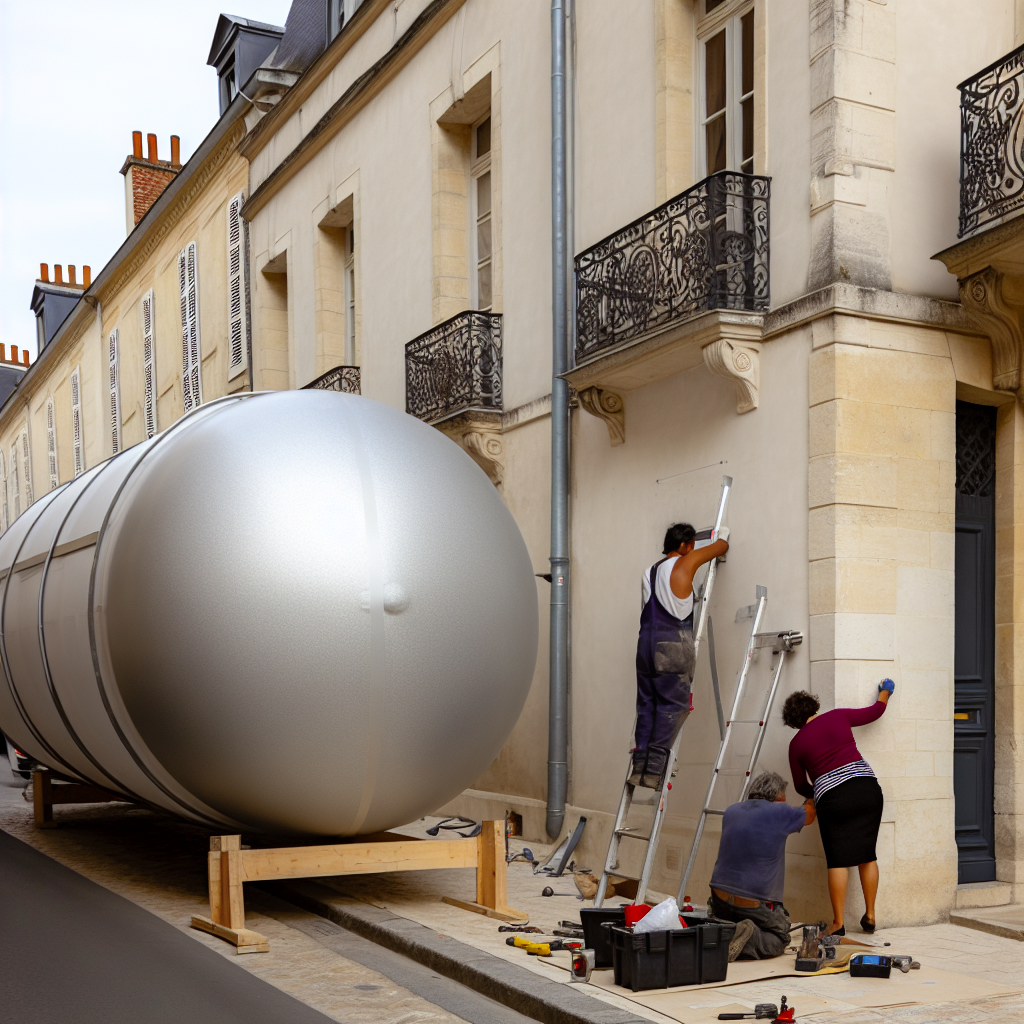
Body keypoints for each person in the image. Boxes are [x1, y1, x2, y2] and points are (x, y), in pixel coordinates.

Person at [784, 681, 894, 935]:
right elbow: (876, 711)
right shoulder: (838, 716)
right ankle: (870, 915)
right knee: (867, 854)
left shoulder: (796, 744)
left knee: (838, 860)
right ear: (814, 707)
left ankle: (838, 923)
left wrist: (819, 791)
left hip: (834, 800)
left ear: (793, 723)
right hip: (867, 788)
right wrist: (885, 691)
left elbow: (801, 784)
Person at [631, 522, 729, 788]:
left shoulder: (649, 572)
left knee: (647, 705)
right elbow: (721, 547)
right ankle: (653, 771)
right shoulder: (684, 563)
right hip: (671, 647)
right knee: (672, 706)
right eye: (691, 547)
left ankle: (639, 765)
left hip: (645, 648)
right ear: (685, 546)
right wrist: (723, 536)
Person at [708, 770, 815, 961]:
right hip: (754, 904)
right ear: (778, 796)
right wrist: (810, 796)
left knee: (730, 919)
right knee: (780, 938)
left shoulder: (731, 810)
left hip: (719, 899)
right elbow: (810, 814)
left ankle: (725, 929)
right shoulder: (780, 812)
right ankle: (746, 936)